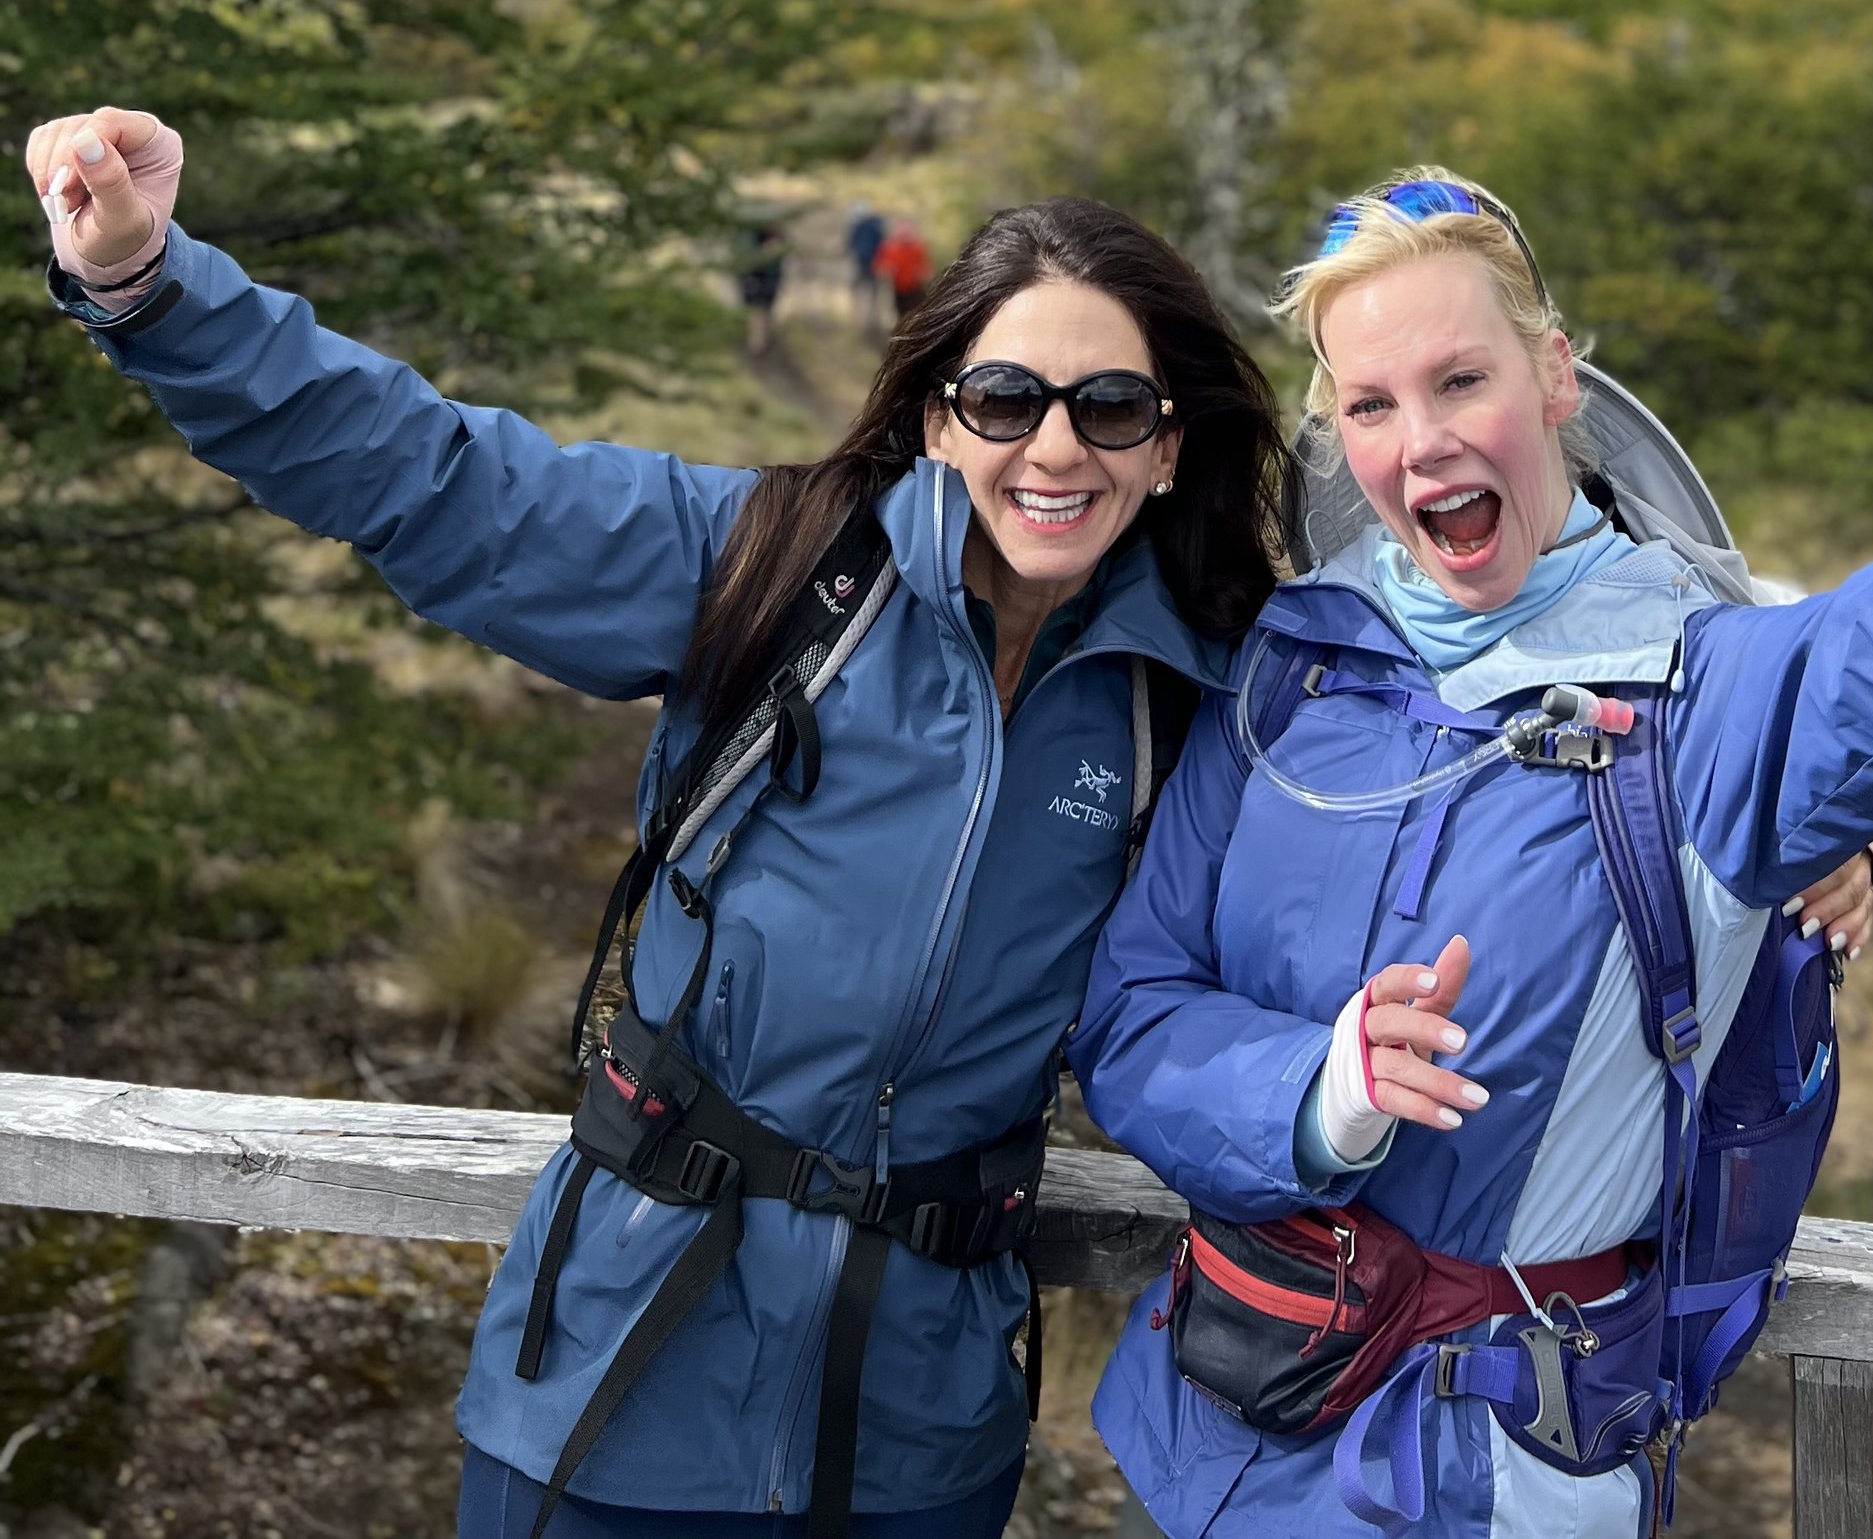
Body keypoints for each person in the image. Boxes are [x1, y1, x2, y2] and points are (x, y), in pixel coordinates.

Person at [1072, 0, 1873, 1539]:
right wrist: (1317, 1089)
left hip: (1480, 1480)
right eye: (1369, 402)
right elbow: (1136, 1010)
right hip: (1210, 1437)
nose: (1418, 440)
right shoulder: (1294, 670)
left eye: (1461, 380)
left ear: (1556, 379)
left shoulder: (1703, 696)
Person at [22, 119, 1294, 1539]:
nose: (1055, 445)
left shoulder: (1196, 699)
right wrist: (152, 285)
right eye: (1004, 397)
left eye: (1112, 406)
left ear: (1170, 444)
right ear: (939, 419)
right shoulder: (767, 565)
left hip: (915, 1442)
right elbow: (437, 480)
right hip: (619, 1385)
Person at [737, 217, 789, 359]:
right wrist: (765, 253)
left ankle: (762, 338)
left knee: (766, 308)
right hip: (753, 275)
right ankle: (756, 341)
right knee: (756, 308)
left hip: (770, 277)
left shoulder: (779, 236)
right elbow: (747, 257)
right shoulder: (750, 236)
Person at [877, 219, 933, 320]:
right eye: (902, 231)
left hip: (915, 290)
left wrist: (923, 275)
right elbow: (880, 269)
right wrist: (887, 271)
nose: (905, 234)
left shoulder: (918, 248)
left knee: (916, 317)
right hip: (897, 291)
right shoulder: (889, 248)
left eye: (907, 231)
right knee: (900, 317)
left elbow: (927, 269)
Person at [847, 205, 890, 332]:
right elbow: (851, 243)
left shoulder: (874, 227)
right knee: (858, 288)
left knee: (873, 292)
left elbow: (882, 245)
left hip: (873, 265)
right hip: (862, 264)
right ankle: (860, 317)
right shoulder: (858, 227)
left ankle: (873, 318)